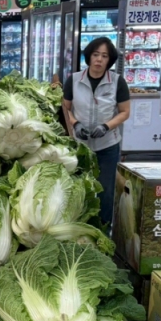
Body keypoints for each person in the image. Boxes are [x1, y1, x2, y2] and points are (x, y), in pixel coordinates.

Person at [62, 37, 131, 227]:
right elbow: (64, 108)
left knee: (105, 190)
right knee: (78, 187)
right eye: (95, 55)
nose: (99, 60)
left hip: (107, 145)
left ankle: (102, 228)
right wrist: (75, 124)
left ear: (110, 60)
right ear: (89, 56)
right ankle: (79, 225)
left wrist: (106, 126)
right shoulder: (74, 80)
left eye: (104, 56)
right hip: (79, 145)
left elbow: (125, 112)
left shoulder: (117, 82)